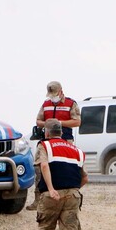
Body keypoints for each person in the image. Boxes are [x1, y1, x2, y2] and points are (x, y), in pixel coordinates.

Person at [36, 118, 88, 230]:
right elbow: (85, 178)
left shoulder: (44, 145)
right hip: (72, 195)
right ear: (61, 132)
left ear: (47, 132)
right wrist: (73, 190)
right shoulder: (76, 150)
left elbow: (44, 165)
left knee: (46, 228)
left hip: (51, 196)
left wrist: (51, 189)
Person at [28, 81, 82, 211]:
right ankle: (38, 199)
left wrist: (59, 123)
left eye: (54, 95)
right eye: (51, 95)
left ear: (61, 92)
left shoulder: (71, 104)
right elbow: (38, 121)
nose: (53, 98)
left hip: (65, 140)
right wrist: (48, 124)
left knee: (65, 169)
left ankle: (67, 197)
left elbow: (77, 122)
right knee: (40, 169)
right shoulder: (46, 104)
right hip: (47, 141)